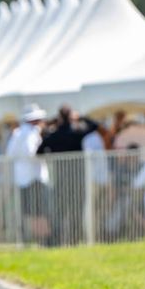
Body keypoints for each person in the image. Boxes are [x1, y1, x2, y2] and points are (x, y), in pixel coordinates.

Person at [38, 105, 98, 245]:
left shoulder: (53, 135)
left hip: (60, 179)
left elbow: (39, 152)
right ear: (71, 116)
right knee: (77, 210)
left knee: (60, 211)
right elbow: (94, 126)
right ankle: (75, 240)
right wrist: (80, 116)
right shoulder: (77, 131)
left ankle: (58, 240)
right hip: (78, 178)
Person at [4, 105, 51, 244]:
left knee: (29, 212)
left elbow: (10, 154)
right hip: (35, 178)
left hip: (22, 178)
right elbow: (32, 153)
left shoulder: (17, 133)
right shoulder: (31, 133)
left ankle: (33, 239)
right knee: (39, 212)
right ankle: (42, 240)